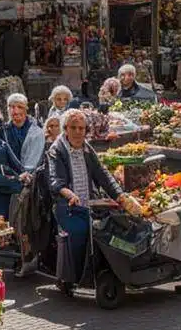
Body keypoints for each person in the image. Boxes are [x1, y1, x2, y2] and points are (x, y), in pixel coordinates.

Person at [47, 109, 142, 290]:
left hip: (88, 203)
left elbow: (102, 175)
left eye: (81, 128)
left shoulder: (87, 148)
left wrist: (120, 195)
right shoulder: (56, 150)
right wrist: (69, 194)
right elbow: (54, 181)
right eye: (73, 128)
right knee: (81, 232)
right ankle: (69, 279)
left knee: (107, 230)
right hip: (66, 205)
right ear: (65, 129)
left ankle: (97, 272)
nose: (78, 132)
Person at [4, 93, 47, 169]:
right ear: (8, 109)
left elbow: (38, 156)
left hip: (34, 174)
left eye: (20, 107)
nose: (16, 111)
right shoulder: (3, 130)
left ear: (26, 109)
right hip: (11, 175)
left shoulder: (37, 128)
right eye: (12, 107)